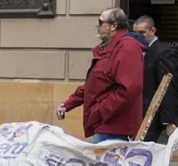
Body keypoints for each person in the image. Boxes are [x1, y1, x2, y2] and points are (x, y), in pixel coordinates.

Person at [57, 8, 144, 143]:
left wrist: (100, 112)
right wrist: (68, 104)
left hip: (115, 129)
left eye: (100, 22)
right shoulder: (109, 48)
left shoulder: (127, 47)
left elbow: (129, 89)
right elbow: (94, 84)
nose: (97, 26)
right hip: (105, 126)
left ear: (113, 26)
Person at [132, 16, 178, 142]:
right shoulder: (135, 51)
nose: (138, 37)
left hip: (151, 114)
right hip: (135, 112)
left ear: (152, 30)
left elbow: (168, 86)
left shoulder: (163, 52)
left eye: (142, 33)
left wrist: (168, 120)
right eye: (135, 33)